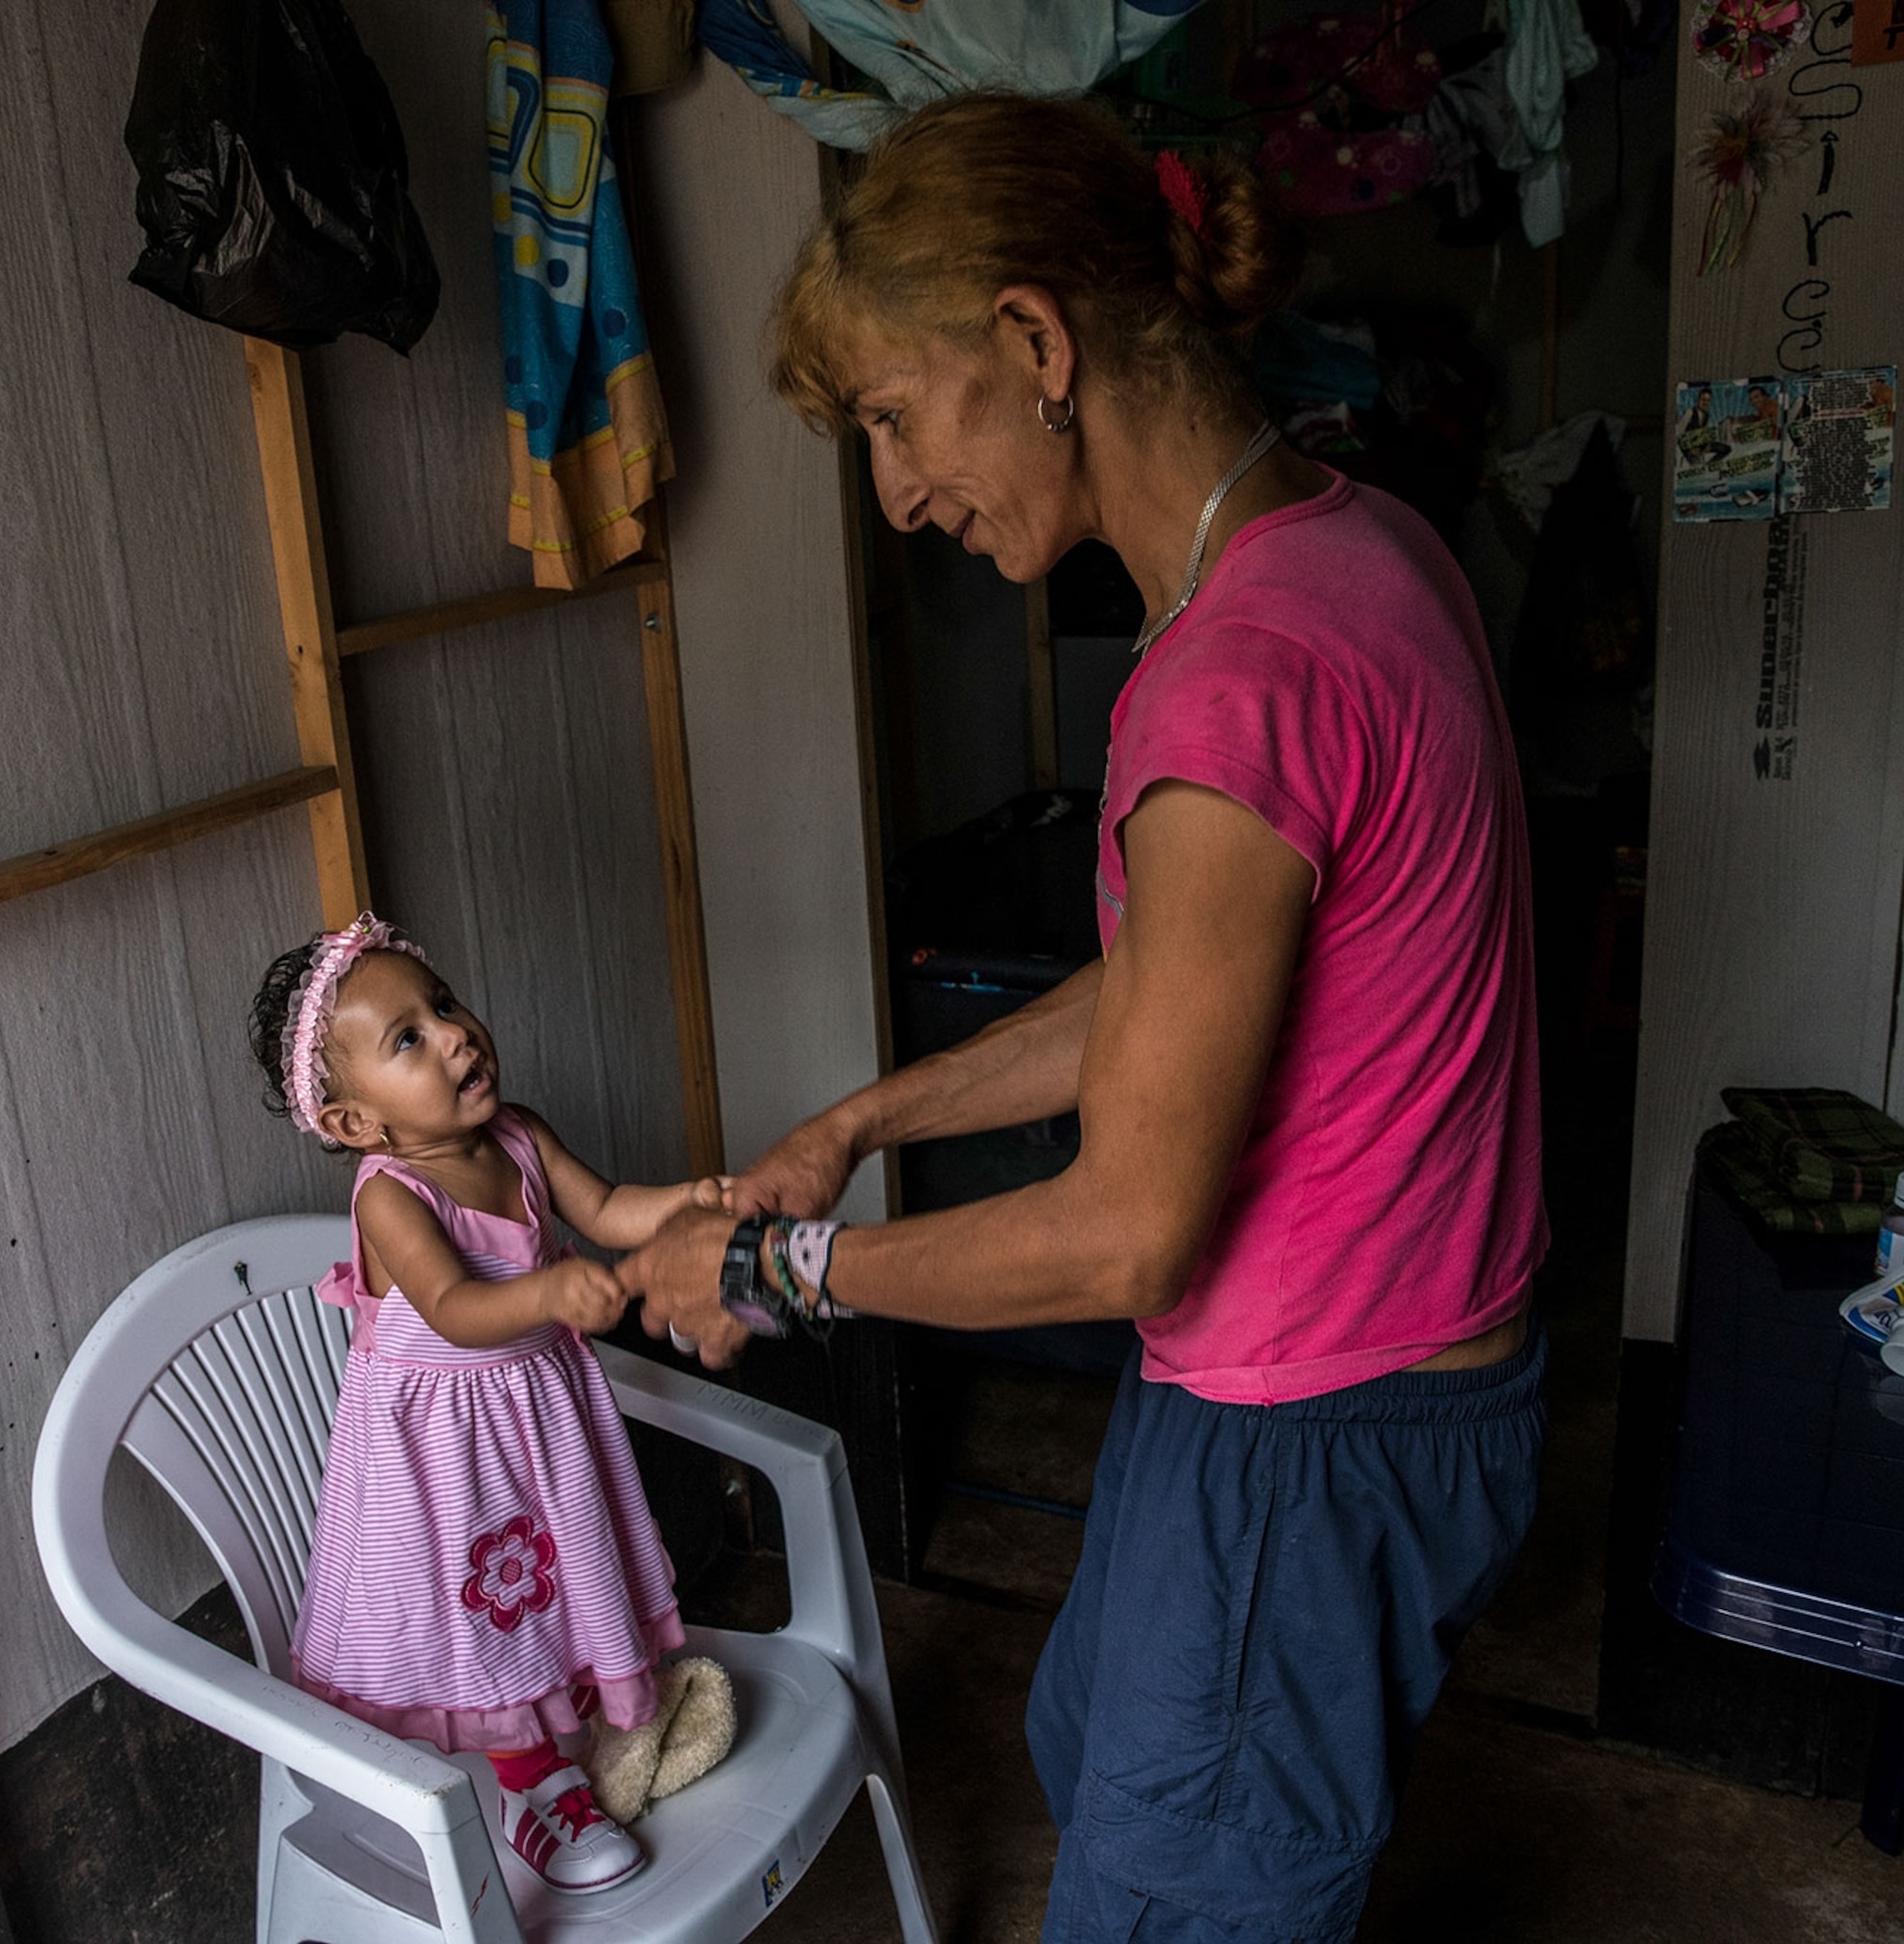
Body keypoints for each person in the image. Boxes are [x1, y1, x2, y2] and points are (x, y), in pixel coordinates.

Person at [621, 92, 1548, 1942]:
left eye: (895, 416)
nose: (896, 494)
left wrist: (778, 1270)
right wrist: (860, 1126)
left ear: (1037, 344)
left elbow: (1128, 1227)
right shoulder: (1361, 548)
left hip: (1309, 1427)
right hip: (1383, 1386)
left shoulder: (1230, 683)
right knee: (1089, 1732)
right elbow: (1174, 993)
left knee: (1171, 1889)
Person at [248, 912, 732, 1894]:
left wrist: (692, 1201)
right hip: (440, 1466)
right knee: (485, 1619)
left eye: (444, 1004)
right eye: (409, 1040)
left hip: (537, 1434)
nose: (455, 1034)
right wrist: (550, 1293)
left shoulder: (516, 1135)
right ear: (354, 1124)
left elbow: (603, 1209)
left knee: (554, 1597)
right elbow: (460, 1308)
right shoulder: (391, 1196)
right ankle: (537, 1787)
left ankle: (573, 1737)